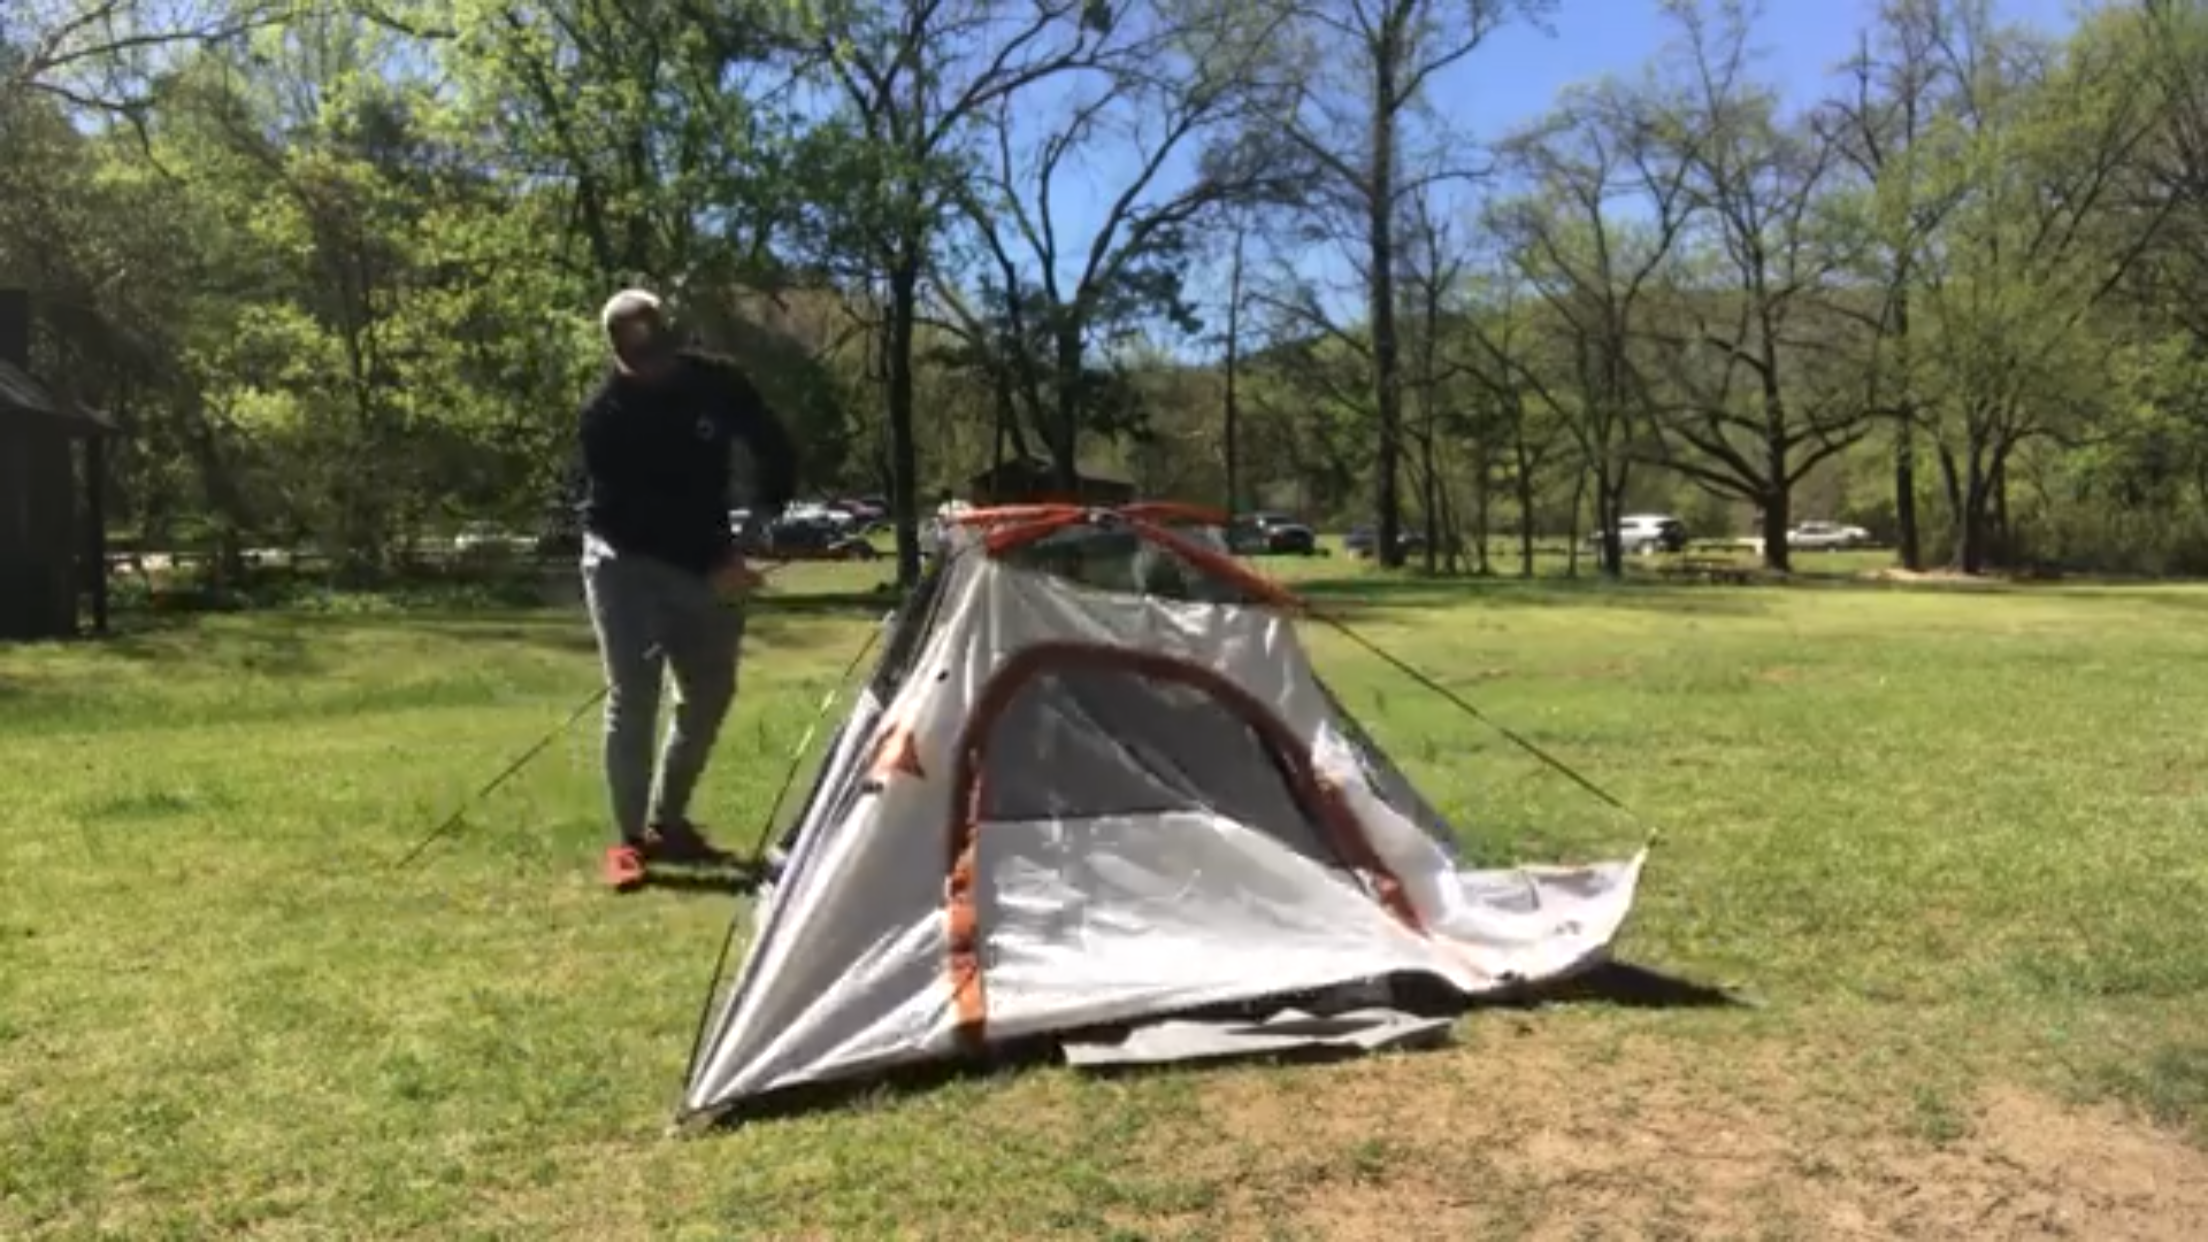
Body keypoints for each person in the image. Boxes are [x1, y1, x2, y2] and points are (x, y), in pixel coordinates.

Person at [575, 288, 799, 892]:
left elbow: (772, 444)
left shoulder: (718, 384)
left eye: (662, 352)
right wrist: (715, 560)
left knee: (710, 692)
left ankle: (669, 822)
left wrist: (765, 518)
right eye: (638, 358)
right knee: (634, 696)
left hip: (708, 554)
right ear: (618, 353)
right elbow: (632, 516)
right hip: (626, 561)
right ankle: (629, 841)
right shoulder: (606, 418)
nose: (654, 367)